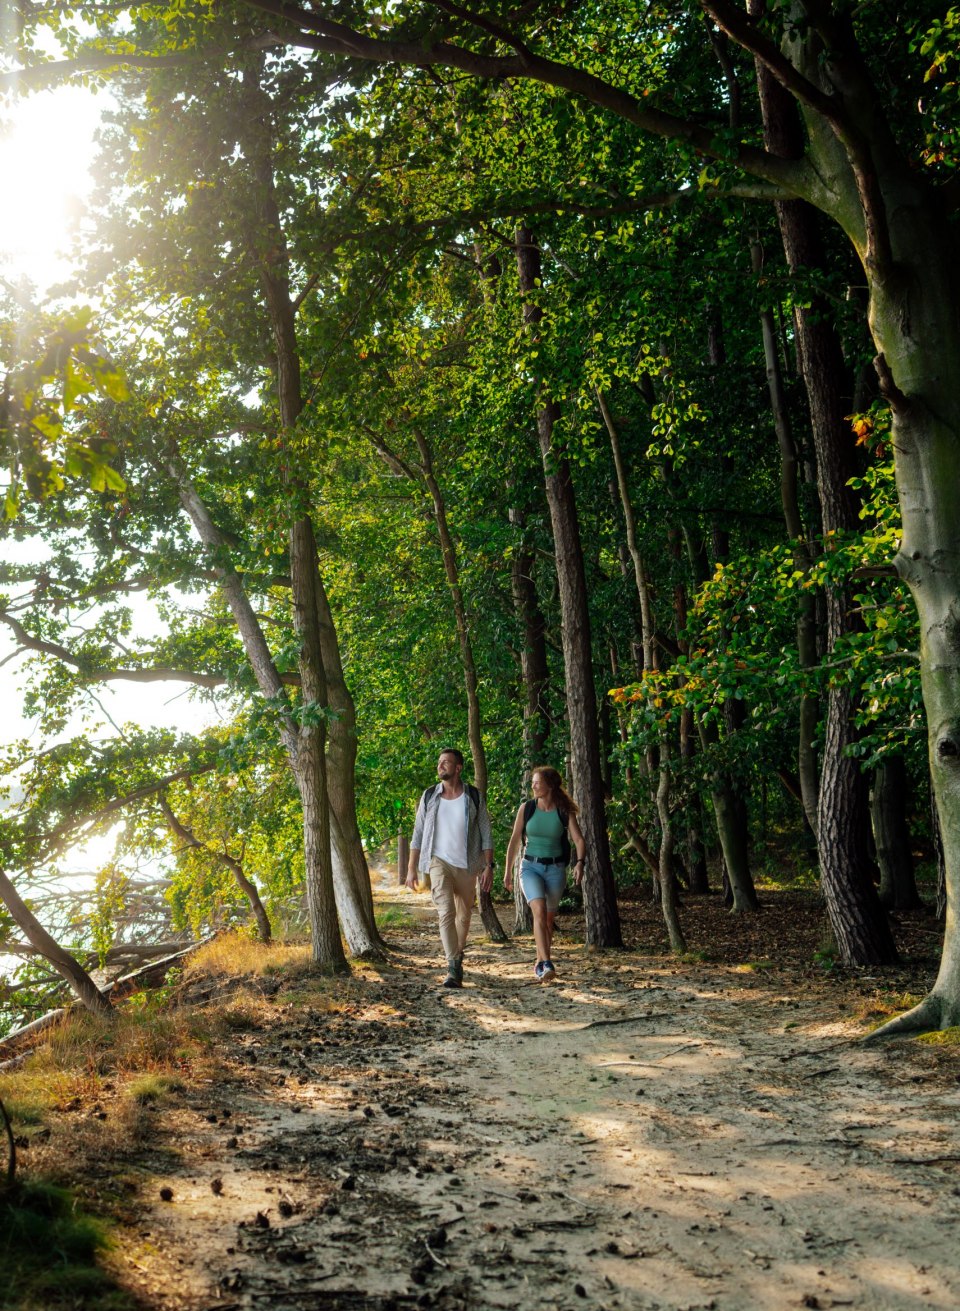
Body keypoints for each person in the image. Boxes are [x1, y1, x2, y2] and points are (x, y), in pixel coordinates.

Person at [406, 748, 494, 988]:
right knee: (446, 912)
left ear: (458, 768)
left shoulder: (473, 796)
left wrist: (489, 866)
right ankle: (453, 966)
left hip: (468, 865)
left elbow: (486, 832)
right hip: (438, 862)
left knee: (464, 917)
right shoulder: (429, 796)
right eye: (439, 761)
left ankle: (457, 953)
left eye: (446, 762)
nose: (441, 765)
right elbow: (418, 833)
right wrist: (411, 868)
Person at [504, 766, 585, 984]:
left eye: (537, 782)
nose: (533, 786)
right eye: (533, 782)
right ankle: (547, 963)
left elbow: (578, 840)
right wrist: (507, 872)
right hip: (530, 867)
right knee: (538, 911)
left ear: (549, 785)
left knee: (548, 920)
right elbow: (513, 841)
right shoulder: (527, 808)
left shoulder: (563, 810)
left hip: (556, 869)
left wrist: (579, 863)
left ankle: (540, 962)